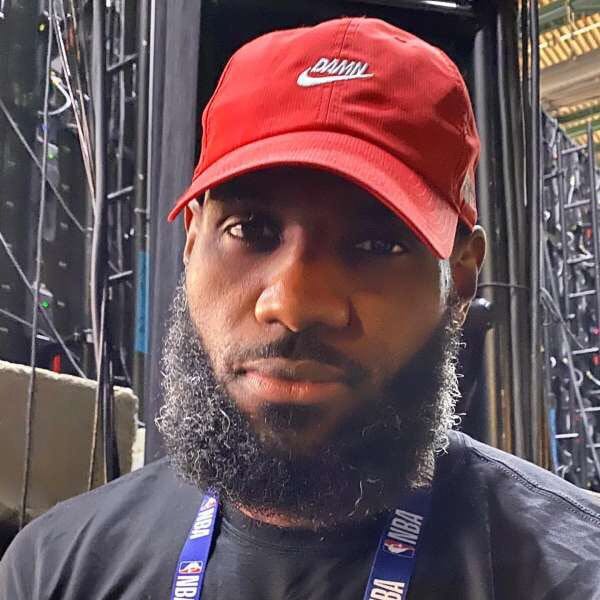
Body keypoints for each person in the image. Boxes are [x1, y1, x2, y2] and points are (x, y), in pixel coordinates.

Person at [1, 16, 599, 600]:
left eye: (377, 245)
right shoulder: (53, 568)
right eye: (250, 229)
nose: (293, 304)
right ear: (191, 241)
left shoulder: (577, 573)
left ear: (460, 277)